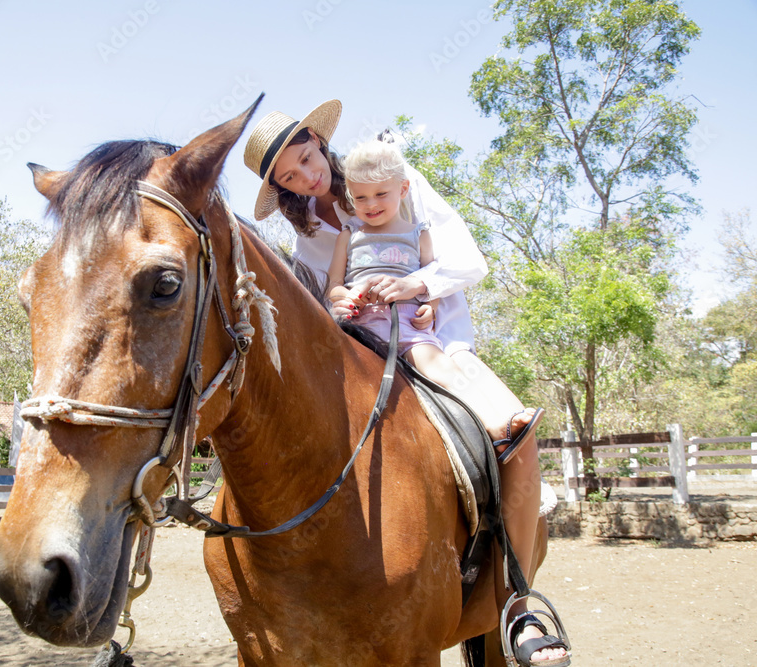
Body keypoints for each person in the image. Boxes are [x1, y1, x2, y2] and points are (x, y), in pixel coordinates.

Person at [243, 100, 570, 667]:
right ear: (281, 188)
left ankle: (519, 601)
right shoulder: (309, 236)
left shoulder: (396, 179)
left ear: (320, 142)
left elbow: (468, 262)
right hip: (353, 352)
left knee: (515, 431)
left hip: (432, 340)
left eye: (305, 158)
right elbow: (315, 309)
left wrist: (417, 287)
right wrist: (335, 300)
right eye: (289, 177)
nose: (306, 176)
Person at [327, 138, 544, 454]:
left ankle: (495, 426)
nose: (371, 204)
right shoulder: (350, 234)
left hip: (407, 325)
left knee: (440, 369)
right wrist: (341, 296)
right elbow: (334, 282)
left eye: (380, 194)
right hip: (359, 327)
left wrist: (430, 306)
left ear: (403, 189)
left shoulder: (418, 232)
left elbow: (433, 277)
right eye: (360, 197)